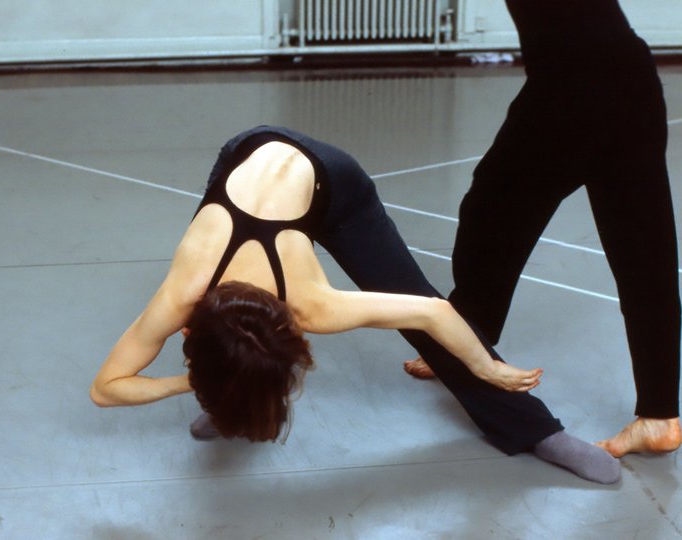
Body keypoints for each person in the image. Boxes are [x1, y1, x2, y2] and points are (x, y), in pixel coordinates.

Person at [91, 125, 620, 483]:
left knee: (412, 292)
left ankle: (535, 429)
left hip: (331, 181)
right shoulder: (180, 296)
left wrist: (491, 368)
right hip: (245, 158)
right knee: (231, 358)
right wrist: (203, 382)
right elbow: (104, 389)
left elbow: (431, 313)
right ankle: (235, 393)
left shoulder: (313, 306)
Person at [404, 0, 681, 458]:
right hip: (631, 77)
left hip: (570, 86)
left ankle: (467, 338)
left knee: (490, 208)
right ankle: (659, 414)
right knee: (643, 250)